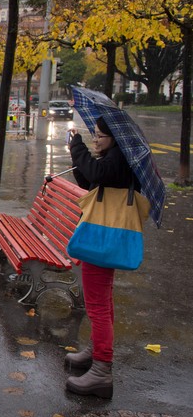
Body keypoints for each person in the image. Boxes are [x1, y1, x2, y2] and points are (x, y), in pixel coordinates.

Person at [65, 116, 139, 399]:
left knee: (96, 305)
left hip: (102, 239)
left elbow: (97, 173)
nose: (95, 139)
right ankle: (96, 353)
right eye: (93, 135)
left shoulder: (118, 158)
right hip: (103, 236)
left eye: (99, 136)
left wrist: (78, 146)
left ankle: (101, 370)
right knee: (102, 301)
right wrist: (79, 155)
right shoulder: (115, 158)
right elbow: (91, 180)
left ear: (114, 138)